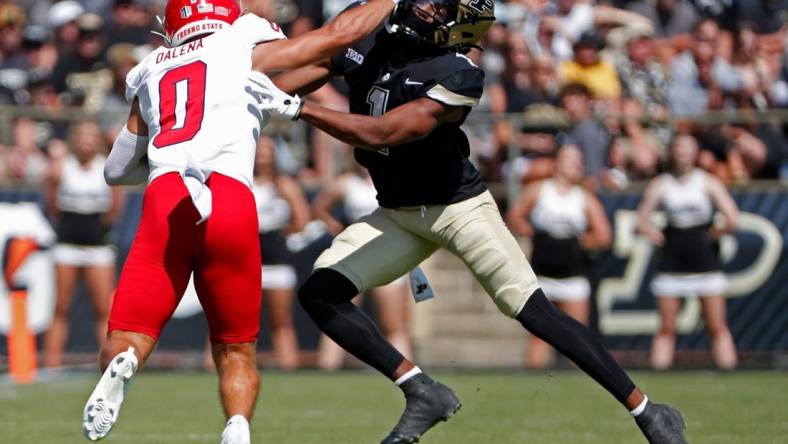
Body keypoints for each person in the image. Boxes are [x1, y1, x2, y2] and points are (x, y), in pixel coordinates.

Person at [263, 0, 687, 442]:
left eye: (440, 6)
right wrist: (251, 91)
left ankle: (648, 412)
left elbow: (385, 132)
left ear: (458, 28)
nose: (425, 8)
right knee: (320, 293)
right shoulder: (372, 35)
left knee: (533, 310)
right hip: (398, 214)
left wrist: (298, 109)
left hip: (457, 209)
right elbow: (296, 75)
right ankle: (423, 391)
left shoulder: (457, 73)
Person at [81, 0, 399, 442]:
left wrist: (160, 156)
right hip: (228, 193)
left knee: (130, 331)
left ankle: (128, 362)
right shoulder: (240, 38)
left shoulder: (150, 66)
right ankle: (237, 425)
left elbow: (116, 171)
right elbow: (333, 39)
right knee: (236, 348)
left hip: (169, 191)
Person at [637, 134, 739, 370]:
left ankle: (729, 372)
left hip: (704, 260)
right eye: (679, 148)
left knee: (717, 326)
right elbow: (640, 220)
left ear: (695, 153)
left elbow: (733, 219)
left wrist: (711, 235)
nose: (683, 153)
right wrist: (659, 237)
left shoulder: (708, 182)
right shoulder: (661, 184)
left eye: (688, 148)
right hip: (673, 262)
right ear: (672, 152)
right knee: (666, 327)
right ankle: (659, 374)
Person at [506, 145, 611, 369]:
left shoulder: (584, 198)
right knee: (539, 335)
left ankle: (575, 385)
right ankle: (534, 383)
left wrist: (581, 242)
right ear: (557, 163)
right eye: (570, 159)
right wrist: (528, 231)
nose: (576, 165)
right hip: (541, 274)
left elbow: (603, 236)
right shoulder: (538, 190)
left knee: (576, 336)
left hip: (573, 276)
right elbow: (514, 216)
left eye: (578, 160)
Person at [312, 164, 413, 369]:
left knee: (394, 325)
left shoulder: (395, 176)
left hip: (389, 257)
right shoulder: (346, 183)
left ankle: (411, 379)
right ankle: (325, 374)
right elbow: (319, 207)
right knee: (335, 316)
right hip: (353, 257)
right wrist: (336, 229)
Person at [42, 119, 122, 368]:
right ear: (73, 139)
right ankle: (51, 366)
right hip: (67, 245)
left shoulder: (108, 169)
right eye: (82, 135)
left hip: (98, 247)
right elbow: (52, 206)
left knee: (103, 310)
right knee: (60, 308)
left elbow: (114, 209)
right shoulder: (61, 168)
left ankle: (108, 368)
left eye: (91, 135)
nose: (86, 141)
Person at [252, 135, 311, 370]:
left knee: (281, 320)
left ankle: (288, 366)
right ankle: (222, 368)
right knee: (237, 322)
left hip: (276, 259)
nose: (262, 155)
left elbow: (303, 220)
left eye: (267, 149)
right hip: (246, 259)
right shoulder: (241, 180)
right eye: (259, 149)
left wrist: (279, 234)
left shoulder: (284, 184)